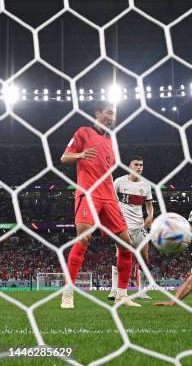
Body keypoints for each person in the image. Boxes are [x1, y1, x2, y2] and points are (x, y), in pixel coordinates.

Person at [60, 101, 139, 308]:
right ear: (98, 113)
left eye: (114, 114)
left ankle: (121, 294)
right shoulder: (83, 132)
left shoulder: (110, 140)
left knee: (126, 245)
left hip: (108, 196)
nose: (112, 118)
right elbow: (64, 157)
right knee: (83, 239)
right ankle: (68, 294)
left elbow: (108, 171)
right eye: (109, 113)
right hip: (88, 193)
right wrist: (80, 155)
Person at [109, 155, 154, 300]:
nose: (139, 167)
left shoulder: (146, 185)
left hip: (139, 226)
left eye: (141, 165)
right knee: (119, 255)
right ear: (130, 166)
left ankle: (142, 291)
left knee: (144, 257)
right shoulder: (119, 182)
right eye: (136, 165)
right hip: (123, 226)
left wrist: (150, 215)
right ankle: (114, 290)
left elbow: (149, 205)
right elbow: (111, 199)